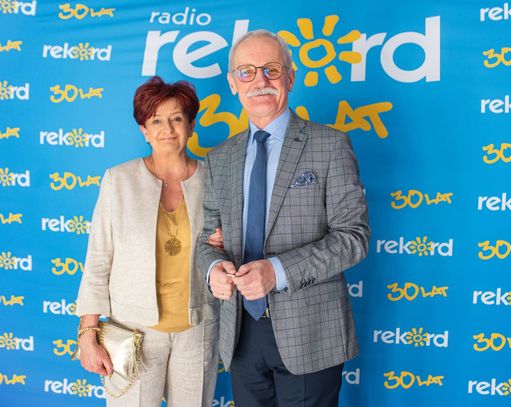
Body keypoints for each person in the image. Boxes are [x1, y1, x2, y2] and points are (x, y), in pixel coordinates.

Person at [197, 30, 370, 407]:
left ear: (290, 78)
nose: (259, 80)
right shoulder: (218, 159)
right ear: (233, 83)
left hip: (311, 334)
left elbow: (353, 237)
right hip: (240, 332)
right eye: (246, 72)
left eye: (271, 69)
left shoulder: (330, 145)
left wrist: (276, 272)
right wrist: (213, 270)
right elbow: (206, 239)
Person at [75, 76, 221, 406]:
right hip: (132, 332)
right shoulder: (118, 180)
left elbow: (229, 251)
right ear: (144, 129)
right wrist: (88, 333)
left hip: (197, 330)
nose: (167, 129)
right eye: (156, 121)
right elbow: (98, 260)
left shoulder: (214, 180)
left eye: (176, 118)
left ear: (191, 125)